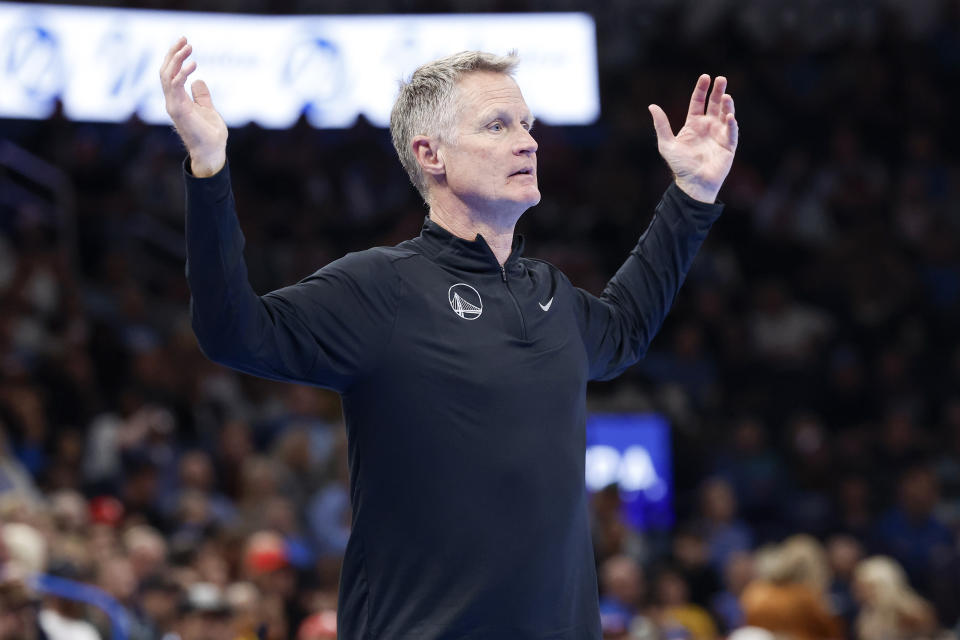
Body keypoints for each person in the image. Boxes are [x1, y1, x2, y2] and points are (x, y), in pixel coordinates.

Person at [159, 35, 737, 638]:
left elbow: (625, 331)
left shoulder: (552, 293)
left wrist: (691, 194)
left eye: (527, 124)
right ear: (430, 154)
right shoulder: (382, 286)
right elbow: (232, 332)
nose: (527, 141)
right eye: (496, 125)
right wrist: (209, 170)